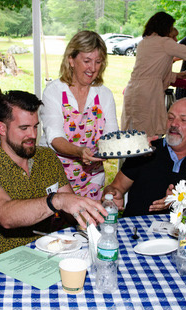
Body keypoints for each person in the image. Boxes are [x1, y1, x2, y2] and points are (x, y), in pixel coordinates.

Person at [0, 90, 106, 300]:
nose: (32, 135)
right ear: (1, 128)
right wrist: (56, 201)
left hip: (42, 258)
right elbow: (5, 216)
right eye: (23, 128)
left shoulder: (46, 157)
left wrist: (93, 216)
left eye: (35, 127)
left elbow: (71, 207)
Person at [103, 98, 186, 217]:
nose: (174, 124)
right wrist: (112, 194)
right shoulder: (146, 151)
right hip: (136, 232)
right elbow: (116, 186)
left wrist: (183, 200)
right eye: (170, 118)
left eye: (183, 120)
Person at [40, 31, 118, 201]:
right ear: (71, 60)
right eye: (87, 61)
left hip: (92, 178)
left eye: (98, 62)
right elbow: (54, 137)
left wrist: (137, 146)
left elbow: (111, 137)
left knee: (89, 225)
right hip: (55, 178)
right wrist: (79, 151)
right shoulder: (54, 92)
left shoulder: (104, 95)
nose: (93, 68)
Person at [122, 11, 186, 137]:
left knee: (131, 129)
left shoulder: (144, 42)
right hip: (149, 91)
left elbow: (156, 71)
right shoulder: (164, 42)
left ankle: (128, 157)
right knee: (148, 130)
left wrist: (180, 75)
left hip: (133, 89)